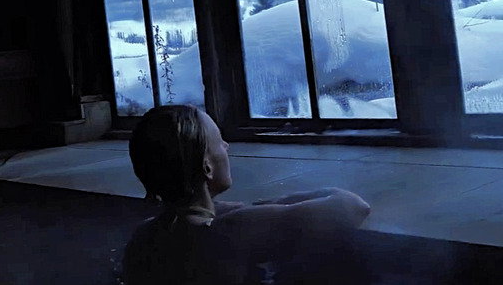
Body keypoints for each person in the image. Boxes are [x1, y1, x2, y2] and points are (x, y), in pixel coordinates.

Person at [123, 104, 372, 284]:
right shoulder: (227, 232)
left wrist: (271, 205)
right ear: (207, 167)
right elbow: (353, 207)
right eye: (220, 141)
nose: (227, 147)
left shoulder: (143, 235)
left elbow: (246, 208)